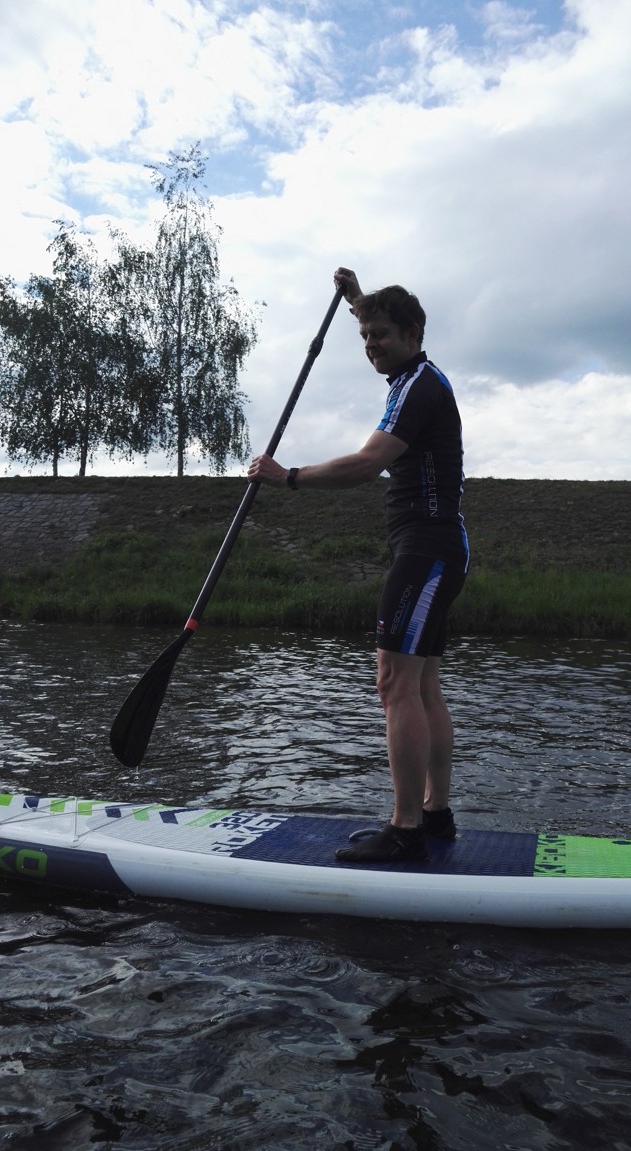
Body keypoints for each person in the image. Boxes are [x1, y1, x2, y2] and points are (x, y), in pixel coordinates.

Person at [247, 268, 469, 863]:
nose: (371, 345)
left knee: (394, 683)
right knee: (421, 685)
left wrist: (288, 477)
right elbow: (377, 320)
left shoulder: (419, 386)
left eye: (382, 335)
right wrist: (356, 299)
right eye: (365, 336)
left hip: (426, 550)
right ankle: (434, 815)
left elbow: (368, 464)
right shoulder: (413, 378)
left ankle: (405, 830)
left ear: (414, 333)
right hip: (435, 548)